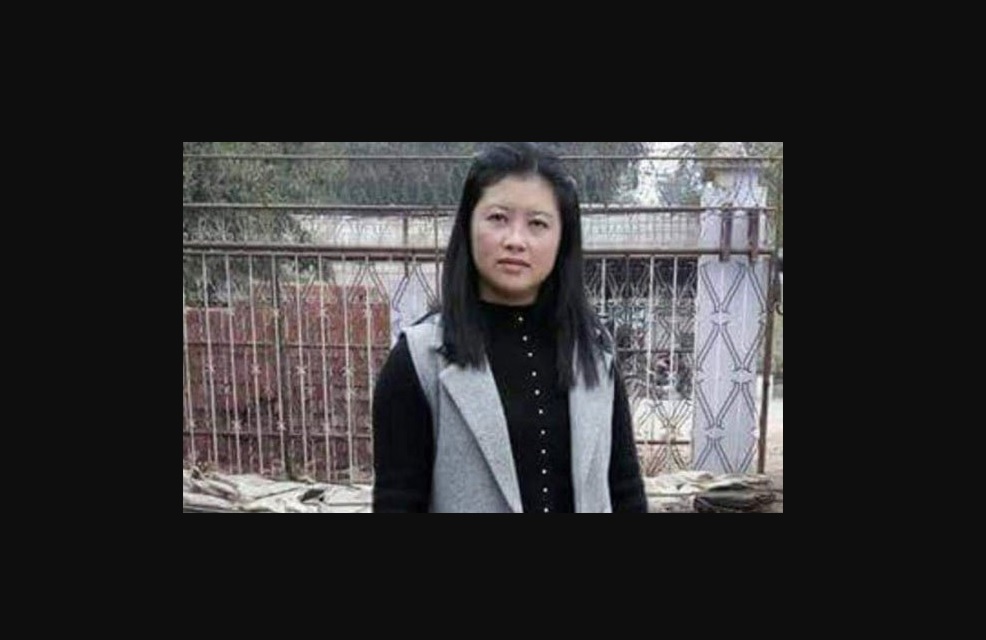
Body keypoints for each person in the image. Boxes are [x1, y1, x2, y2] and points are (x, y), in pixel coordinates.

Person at [372, 142, 647, 513]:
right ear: (468, 225)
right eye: (498, 218)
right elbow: (397, 501)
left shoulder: (594, 354)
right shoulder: (420, 361)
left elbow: (625, 490)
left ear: (563, 237)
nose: (515, 240)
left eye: (537, 224)